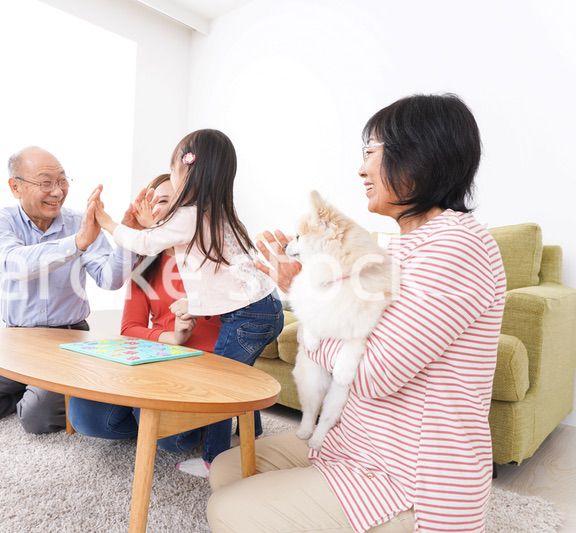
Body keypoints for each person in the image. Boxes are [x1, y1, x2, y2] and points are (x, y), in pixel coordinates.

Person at [207, 94, 507, 532]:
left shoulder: (456, 246)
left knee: (227, 511)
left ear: (419, 154)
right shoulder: (404, 244)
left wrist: (299, 291)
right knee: (228, 471)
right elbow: (355, 329)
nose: (362, 169)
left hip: (409, 480)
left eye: (371, 152)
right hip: (355, 445)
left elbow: (370, 373)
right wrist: (302, 284)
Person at [91, 129, 285, 477]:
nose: (163, 203)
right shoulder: (219, 215)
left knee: (220, 384)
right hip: (266, 308)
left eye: (173, 171)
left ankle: (214, 460)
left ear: (188, 170)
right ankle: (252, 429)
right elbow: (219, 278)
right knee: (239, 376)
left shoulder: (189, 217)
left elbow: (146, 240)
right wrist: (193, 303)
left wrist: (106, 221)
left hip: (247, 316)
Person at [0, 146, 136, 434]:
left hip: (68, 337)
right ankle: (27, 390)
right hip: (15, 339)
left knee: (37, 418)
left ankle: (38, 395)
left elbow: (109, 279)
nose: (57, 191)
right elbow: (14, 263)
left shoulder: (81, 223)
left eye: (63, 181)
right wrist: (76, 244)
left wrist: (126, 238)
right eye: (46, 183)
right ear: (15, 187)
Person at [68, 174, 223, 455]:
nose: (172, 210)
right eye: (162, 201)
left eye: (182, 202)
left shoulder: (213, 254)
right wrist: (170, 337)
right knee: (84, 416)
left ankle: (170, 422)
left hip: (201, 368)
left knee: (170, 438)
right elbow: (130, 329)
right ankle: (147, 420)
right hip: (156, 358)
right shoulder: (143, 263)